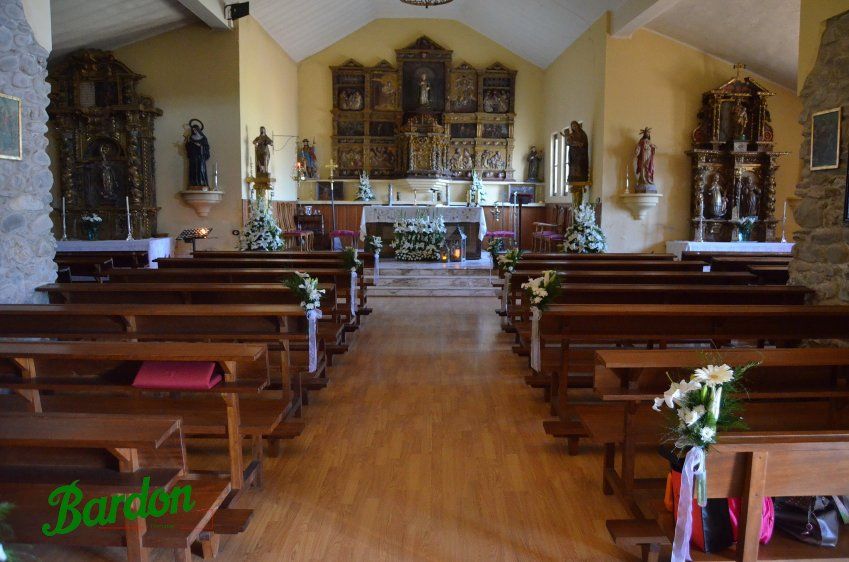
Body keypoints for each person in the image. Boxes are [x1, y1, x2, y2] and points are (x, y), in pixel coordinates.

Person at [185, 119, 210, 188]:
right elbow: (188, 147)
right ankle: (193, 184)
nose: (194, 131)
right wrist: (187, 143)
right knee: (193, 170)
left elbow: (207, 147)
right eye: (193, 130)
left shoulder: (203, 138)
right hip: (193, 157)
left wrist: (201, 146)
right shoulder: (191, 138)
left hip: (200, 157)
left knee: (201, 170)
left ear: (198, 130)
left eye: (195, 130)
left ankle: (202, 183)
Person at [632, 127, 656, 193]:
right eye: (646, 133)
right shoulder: (641, 141)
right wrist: (637, 151)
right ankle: (643, 180)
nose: (647, 134)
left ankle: (649, 180)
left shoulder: (649, 142)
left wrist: (653, 148)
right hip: (643, 156)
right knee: (643, 167)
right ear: (644, 134)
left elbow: (652, 148)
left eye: (648, 133)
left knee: (649, 167)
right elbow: (638, 147)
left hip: (649, 156)